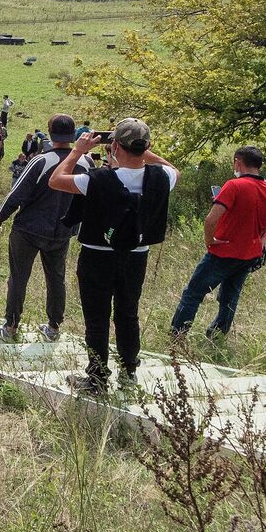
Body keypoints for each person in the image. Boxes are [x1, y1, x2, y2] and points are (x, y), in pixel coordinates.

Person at [49, 118, 177, 394]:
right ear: (147, 146)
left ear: (114, 145)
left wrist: (78, 151)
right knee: (128, 313)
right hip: (136, 255)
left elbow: (56, 180)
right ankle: (129, 372)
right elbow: (170, 167)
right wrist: (143, 151)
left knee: (97, 317)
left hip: (97, 254)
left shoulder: (98, 180)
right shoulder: (162, 178)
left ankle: (96, 378)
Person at [0, 114, 85, 342]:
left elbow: (16, 195)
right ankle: (53, 327)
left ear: (49, 133)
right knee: (56, 279)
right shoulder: (85, 162)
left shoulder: (41, 160)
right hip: (62, 231)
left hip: (28, 230)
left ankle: (10, 327)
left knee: (18, 278)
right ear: (73, 135)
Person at [169, 146, 266, 345]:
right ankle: (216, 336)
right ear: (260, 165)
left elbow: (211, 219)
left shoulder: (234, 185)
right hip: (250, 254)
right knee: (230, 298)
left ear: (238, 161)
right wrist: (264, 238)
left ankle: (177, 336)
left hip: (224, 251)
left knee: (193, 294)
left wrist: (209, 241)